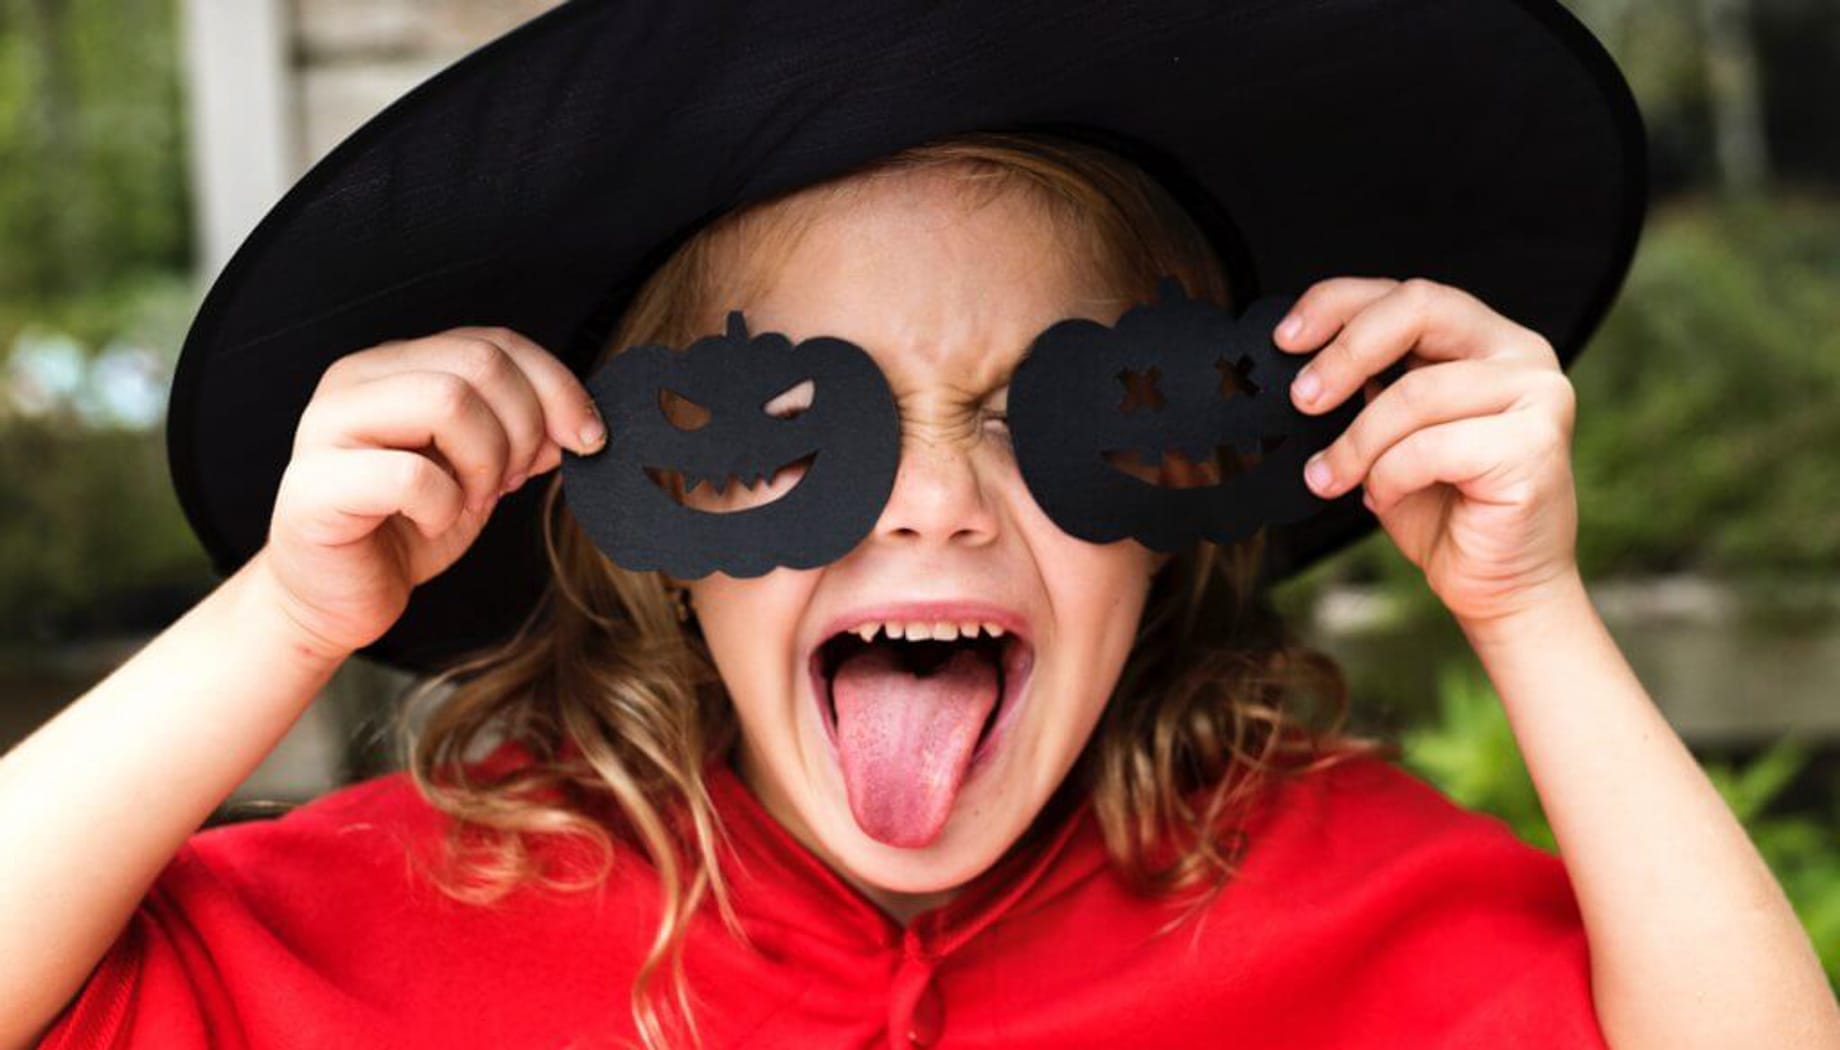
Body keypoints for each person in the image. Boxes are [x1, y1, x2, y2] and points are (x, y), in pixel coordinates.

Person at [4, 3, 1836, 1049]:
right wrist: (279, 618)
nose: (943, 503)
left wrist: (1533, 615)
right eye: (800, 417)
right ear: (644, 503)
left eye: (1057, 413)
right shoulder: (393, 918)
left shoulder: (1351, 897)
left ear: (1179, 493)